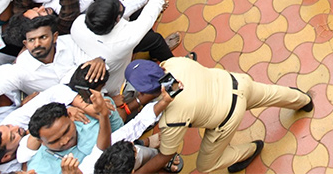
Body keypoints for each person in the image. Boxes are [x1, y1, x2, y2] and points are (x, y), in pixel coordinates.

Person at [122, 56, 313, 173]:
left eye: (140, 91)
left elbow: (165, 156)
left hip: (229, 113)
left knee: (206, 164)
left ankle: (250, 150)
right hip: (236, 82)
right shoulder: (173, 63)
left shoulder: (171, 120)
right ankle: (303, 100)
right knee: (270, 94)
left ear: (146, 92)